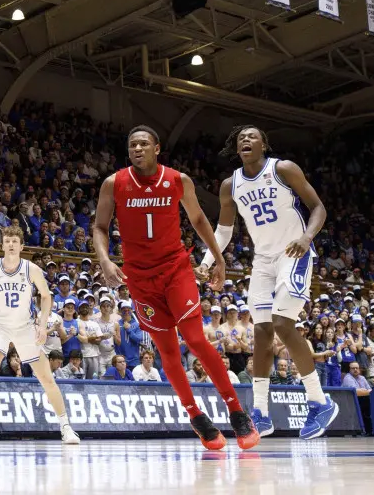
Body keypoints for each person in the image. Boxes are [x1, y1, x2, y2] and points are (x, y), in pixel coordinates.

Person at [94, 126, 258, 450]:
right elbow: (100, 226)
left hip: (176, 270)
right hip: (140, 280)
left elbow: (198, 220)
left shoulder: (178, 180)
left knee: (196, 339)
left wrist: (219, 259)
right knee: (167, 351)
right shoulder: (114, 184)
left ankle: (237, 412)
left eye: (143, 143)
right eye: (132, 145)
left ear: (157, 148)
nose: (137, 148)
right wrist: (104, 260)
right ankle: (197, 417)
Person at [206, 125, 338, 440]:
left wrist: (307, 238)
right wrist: (207, 261)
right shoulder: (230, 185)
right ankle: (261, 413)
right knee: (262, 332)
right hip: (263, 261)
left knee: (281, 323)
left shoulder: (283, 169)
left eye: (252, 136)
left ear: (264, 143)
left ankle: (320, 402)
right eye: (240, 138)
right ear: (236, 149)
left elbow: (318, 207)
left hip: (294, 251)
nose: (245, 140)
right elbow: (224, 231)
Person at [0, 226, 79, 446]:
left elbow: (46, 297)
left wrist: (42, 325)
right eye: (7, 240)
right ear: (2, 244)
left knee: (46, 378)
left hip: (25, 327)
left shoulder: (31, 268)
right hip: (0, 327)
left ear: (22, 245)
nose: (11, 244)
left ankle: (66, 427)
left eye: (15, 240)